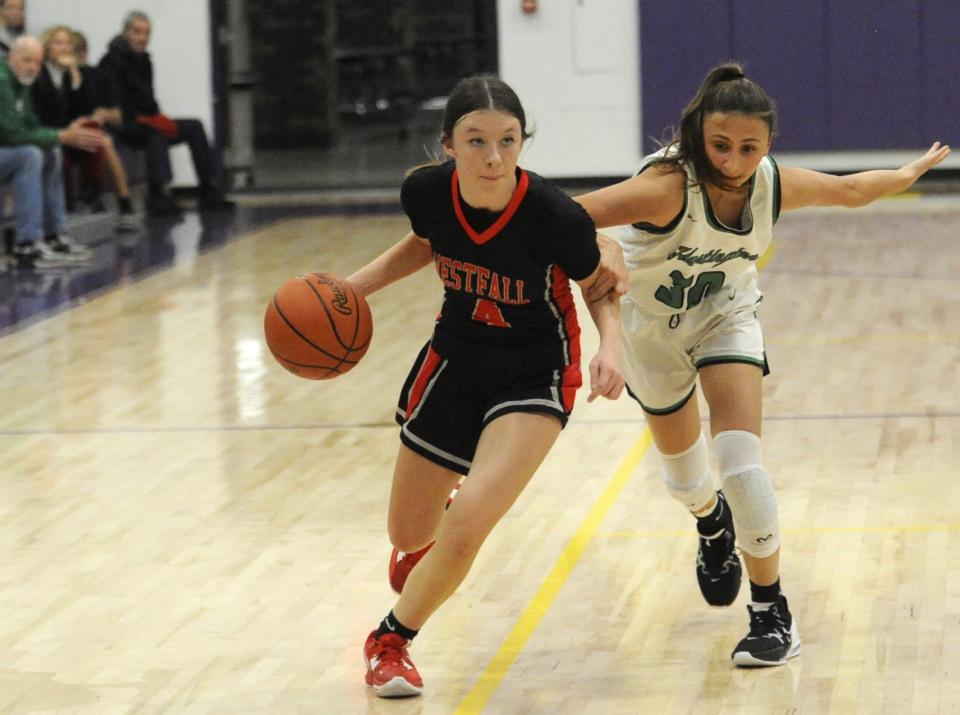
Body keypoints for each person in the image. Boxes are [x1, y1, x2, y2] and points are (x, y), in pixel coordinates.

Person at [574, 62, 951, 667]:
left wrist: (907, 172)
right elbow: (569, 215)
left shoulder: (772, 182)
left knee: (741, 462)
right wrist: (604, 242)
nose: (732, 160)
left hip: (726, 314)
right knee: (687, 481)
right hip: (651, 332)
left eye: (749, 148)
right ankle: (709, 521)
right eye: (721, 145)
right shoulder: (668, 185)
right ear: (699, 135)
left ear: (769, 144)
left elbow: (850, 190)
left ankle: (771, 610)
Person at [345, 74, 624, 697]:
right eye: (475, 141)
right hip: (457, 358)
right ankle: (432, 530)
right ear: (448, 145)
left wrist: (614, 345)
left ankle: (390, 641)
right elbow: (423, 245)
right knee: (408, 535)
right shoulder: (425, 191)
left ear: (524, 142)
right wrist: (350, 289)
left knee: (470, 527)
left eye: (507, 140)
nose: (493, 157)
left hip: (537, 368)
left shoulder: (555, 215)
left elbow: (600, 283)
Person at [97, 10, 233, 215]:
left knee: (194, 126)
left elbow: (148, 99)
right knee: (155, 132)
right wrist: (150, 119)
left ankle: (208, 188)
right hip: (124, 125)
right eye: (136, 32)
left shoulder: (145, 60)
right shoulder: (110, 62)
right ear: (125, 32)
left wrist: (158, 117)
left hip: (144, 121)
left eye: (146, 33)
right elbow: (116, 105)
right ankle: (158, 194)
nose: (142, 38)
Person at [0, 35, 105, 268]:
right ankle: (27, 244)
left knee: (50, 151)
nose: (32, 68)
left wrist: (60, 135)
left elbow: (31, 125)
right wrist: (61, 135)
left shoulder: (21, 82)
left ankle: (55, 235)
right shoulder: (2, 80)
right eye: (27, 61)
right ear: (11, 57)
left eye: (37, 63)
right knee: (30, 155)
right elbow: (9, 134)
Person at [32, 25, 139, 231]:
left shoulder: (68, 75)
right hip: (48, 133)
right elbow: (45, 115)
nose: (65, 48)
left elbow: (82, 108)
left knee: (96, 138)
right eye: (58, 43)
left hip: (67, 133)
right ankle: (67, 207)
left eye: (68, 44)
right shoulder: (40, 74)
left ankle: (96, 197)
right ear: (46, 47)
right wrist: (66, 130)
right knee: (68, 146)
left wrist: (75, 75)